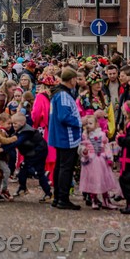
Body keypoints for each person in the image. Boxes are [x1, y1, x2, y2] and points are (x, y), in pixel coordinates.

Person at [48, 67, 82, 210]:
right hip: (65, 136)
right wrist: (80, 122)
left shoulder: (59, 93)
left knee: (60, 167)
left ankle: (58, 197)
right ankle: (62, 198)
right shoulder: (63, 95)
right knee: (65, 168)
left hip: (60, 135)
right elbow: (64, 116)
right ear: (72, 79)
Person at [78, 114, 119, 210]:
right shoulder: (85, 135)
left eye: (91, 123)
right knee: (93, 181)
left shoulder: (102, 134)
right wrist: (84, 152)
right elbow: (82, 146)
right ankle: (94, 200)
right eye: (87, 123)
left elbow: (106, 146)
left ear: (96, 124)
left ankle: (106, 200)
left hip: (101, 161)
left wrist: (109, 157)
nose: (88, 125)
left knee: (103, 180)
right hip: (91, 161)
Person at [9, 113, 53, 203]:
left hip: (37, 152)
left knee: (25, 167)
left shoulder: (26, 132)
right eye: (12, 123)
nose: (13, 125)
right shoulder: (23, 130)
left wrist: (3, 147)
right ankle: (48, 193)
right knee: (37, 172)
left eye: (15, 123)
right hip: (37, 151)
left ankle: (23, 188)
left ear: (22, 123)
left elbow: (16, 142)